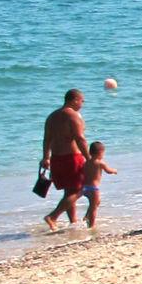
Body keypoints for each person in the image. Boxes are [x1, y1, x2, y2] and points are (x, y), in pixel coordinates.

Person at [40, 89, 88, 231]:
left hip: (56, 159)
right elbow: (80, 139)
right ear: (74, 100)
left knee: (69, 191)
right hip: (72, 158)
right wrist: (89, 158)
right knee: (80, 189)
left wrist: (45, 157)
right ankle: (53, 217)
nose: (82, 104)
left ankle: (73, 222)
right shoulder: (72, 116)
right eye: (81, 101)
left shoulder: (52, 116)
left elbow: (46, 139)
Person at [80, 141, 116, 228]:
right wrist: (114, 171)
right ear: (100, 153)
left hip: (84, 187)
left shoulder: (86, 162)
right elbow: (108, 171)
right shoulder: (100, 163)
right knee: (93, 207)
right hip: (93, 188)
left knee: (96, 202)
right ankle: (91, 226)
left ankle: (86, 216)